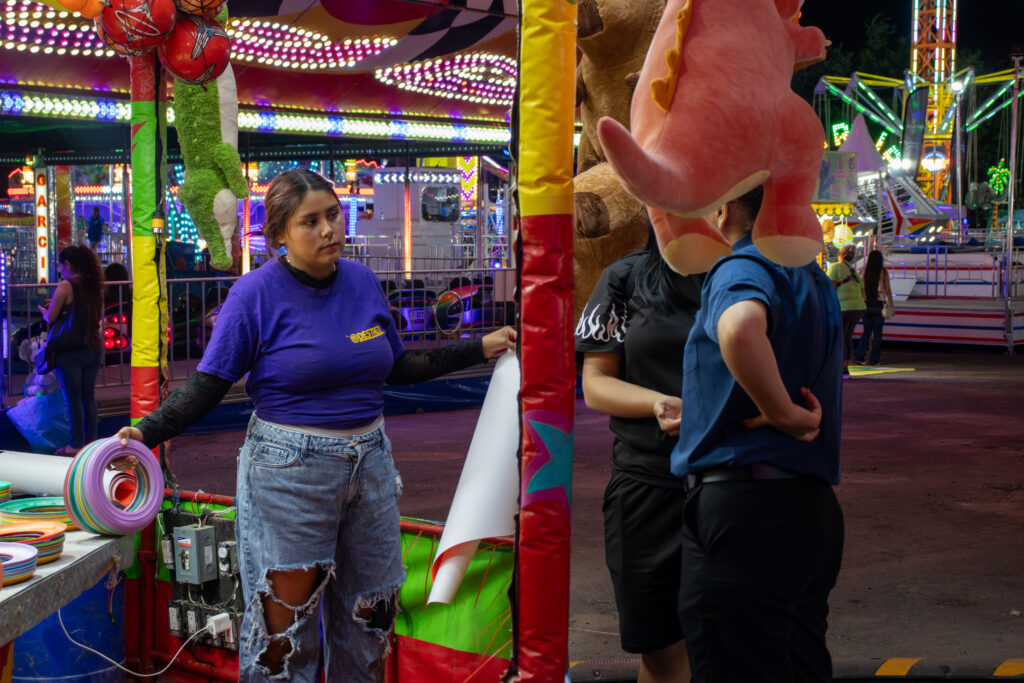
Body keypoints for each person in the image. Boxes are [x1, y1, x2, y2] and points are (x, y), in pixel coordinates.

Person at [115, 169, 515, 681]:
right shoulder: (254, 296)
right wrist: (145, 432)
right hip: (288, 473)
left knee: (370, 619)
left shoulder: (363, 281)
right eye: (310, 221)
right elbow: (207, 386)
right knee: (284, 637)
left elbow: (398, 367)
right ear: (279, 234)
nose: (328, 229)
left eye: (333, 215)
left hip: (370, 465)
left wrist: (479, 348)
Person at [658, 187, 844, 682]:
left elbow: (741, 328)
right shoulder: (813, 278)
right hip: (809, 512)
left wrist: (780, 412)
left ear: (724, 207)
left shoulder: (742, 264)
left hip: (743, 512)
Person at [575, 228, 703, 683]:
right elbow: (596, 383)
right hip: (645, 488)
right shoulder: (625, 278)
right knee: (661, 651)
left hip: (732, 486)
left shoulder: (747, 275)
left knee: (727, 646)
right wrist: (659, 404)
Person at [39, 245, 104, 456]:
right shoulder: (95, 285)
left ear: (67, 264)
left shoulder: (66, 286)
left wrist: (45, 310)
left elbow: (51, 317)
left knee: (73, 399)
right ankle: (91, 444)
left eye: (61, 266)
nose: (60, 271)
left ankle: (75, 445)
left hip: (71, 352)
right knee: (89, 397)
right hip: (93, 349)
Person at [827, 243, 865, 377]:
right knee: (847, 337)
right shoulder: (854, 271)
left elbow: (831, 288)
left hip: (844, 307)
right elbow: (862, 290)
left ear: (840, 255)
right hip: (858, 307)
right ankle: (845, 366)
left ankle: (839, 367)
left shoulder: (835, 267)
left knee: (839, 337)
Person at [853, 249, 894, 366]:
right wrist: (891, 306)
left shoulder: (862, 271)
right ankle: (874, 359)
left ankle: (859, 356)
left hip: (866, 305)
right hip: (879, 305)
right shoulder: (884, 272)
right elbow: (888, 290)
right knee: (877, 334)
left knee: (866, 332)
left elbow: (859, 289)